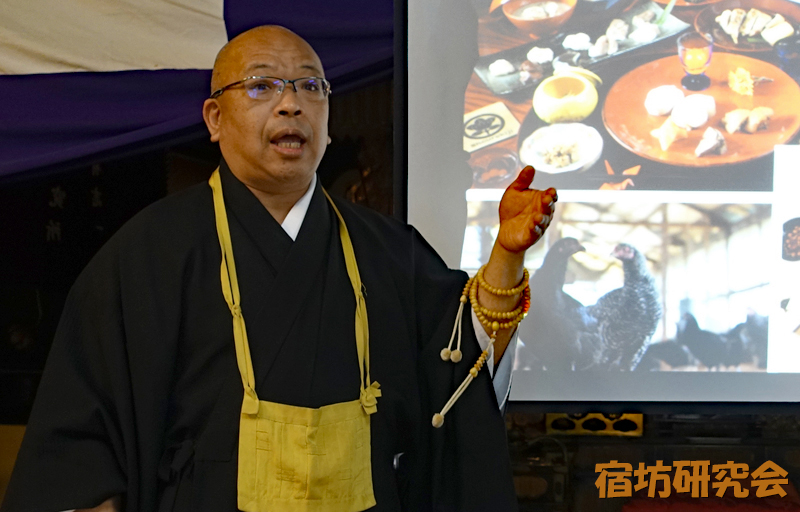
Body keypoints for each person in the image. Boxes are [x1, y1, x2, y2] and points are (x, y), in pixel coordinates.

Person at [2, 26, 556, 512]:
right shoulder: (148, 255)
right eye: (263, 86)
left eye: (310, 86)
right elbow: (80, 439)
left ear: (328, 120)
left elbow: (455, 377)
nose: (291, 105)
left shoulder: (389, 251)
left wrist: (506, 258)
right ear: (215, 119)